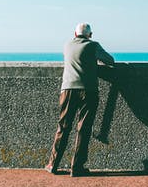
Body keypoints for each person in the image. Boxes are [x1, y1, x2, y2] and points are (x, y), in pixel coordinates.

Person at [45, 23, 115, 177]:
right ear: (90, 35)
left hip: (68, 89)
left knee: (63, 126)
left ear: (75, 34)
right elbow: (110, 60)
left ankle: (53, 164)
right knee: (83, 128)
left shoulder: (67, 45)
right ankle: (76, 167)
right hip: (88, 90)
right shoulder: (93, 45)